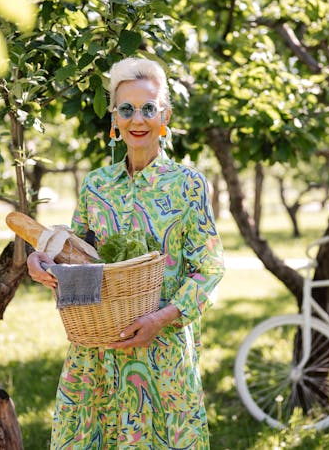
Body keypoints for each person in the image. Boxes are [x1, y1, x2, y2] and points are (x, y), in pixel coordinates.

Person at [27, 57, 225, 449]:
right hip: (98, 353)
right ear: (114, 121)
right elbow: (73, 254)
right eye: (127, 109)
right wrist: (41, 261)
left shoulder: (189, 186)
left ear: (164, 116)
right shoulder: (96, 186)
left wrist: (159, 319)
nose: (138, 119)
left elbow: (210, 270)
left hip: (163, 354)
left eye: (148, 108)